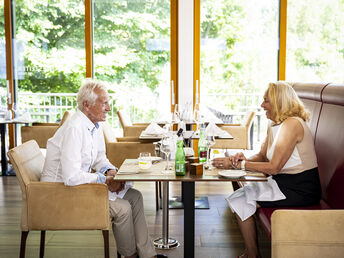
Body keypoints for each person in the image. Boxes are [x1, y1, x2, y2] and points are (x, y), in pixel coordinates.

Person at [41, 79, 166, 258]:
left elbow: (99, 158)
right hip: (60, 193)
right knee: (123, 208)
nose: (108, 108)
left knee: (135, 197)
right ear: (87, 105)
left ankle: (147, 255)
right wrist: (103, 180)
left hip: (78, 187)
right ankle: (129, 255)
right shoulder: (74, 128)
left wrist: (109, 172)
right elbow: (70, 177)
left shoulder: (94, 126)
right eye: (104, 103)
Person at [213, 82, 321, 258]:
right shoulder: (275, 124)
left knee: (240, 198)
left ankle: (252, 254)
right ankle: (252, 253)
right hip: (283, 183)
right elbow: (263, 156)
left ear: (279, 102)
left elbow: (274, 167)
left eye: (266, 101)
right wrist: (243, 159)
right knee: (238, 198)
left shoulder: (292, 124)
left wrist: (237, 165)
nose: (262, 105)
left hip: (301, 188)